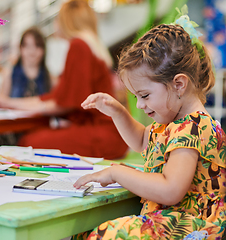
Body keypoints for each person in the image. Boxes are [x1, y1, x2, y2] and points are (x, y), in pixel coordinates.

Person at [73, 12, 226, 239]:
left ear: (179, 84)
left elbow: (170, 189)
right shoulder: (172, 123)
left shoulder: (194, 127)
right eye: (136, 97)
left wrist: (117, 172)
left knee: (107, 234)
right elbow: (142, 141)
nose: (141, 105)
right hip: (167, 220)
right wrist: (117, 112)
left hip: (190, 225)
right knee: (84, 231)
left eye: (144, 95)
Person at [0, 0, 128, 158]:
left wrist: (8, 103)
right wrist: (8, 102)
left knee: (29, 141)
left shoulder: (79, 46)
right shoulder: (91, 45)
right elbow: (55, 99)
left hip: (101, 135)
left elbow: (63, 103)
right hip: (111, 132)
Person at [0, 26, 52, 148]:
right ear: (20, 48)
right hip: (12, 134)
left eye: (37, 46)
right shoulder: (9, 73)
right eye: (27, 46)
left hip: (39, 133)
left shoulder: (50, 77)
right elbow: (1, 104)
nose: (31, 51)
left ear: (43, 49)